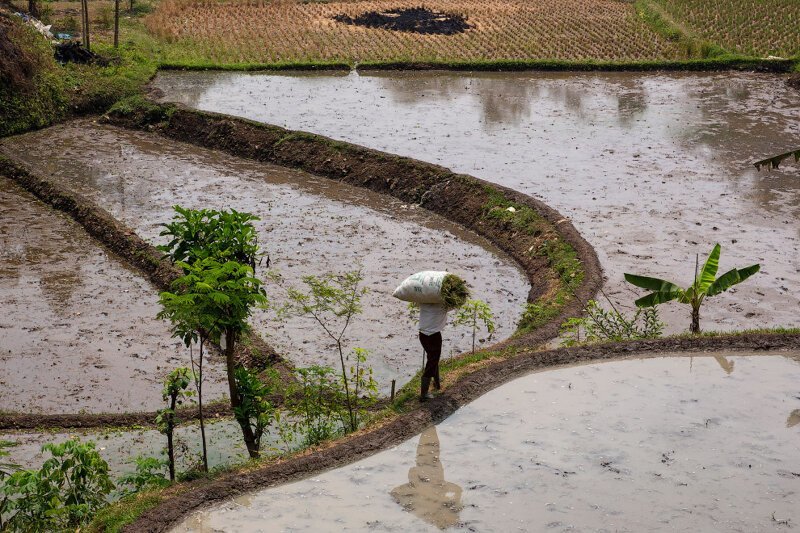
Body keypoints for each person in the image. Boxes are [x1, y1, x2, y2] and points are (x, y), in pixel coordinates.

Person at [418, 302, 448, 401]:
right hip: (434, 335)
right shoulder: (442, 305)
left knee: (432, 358)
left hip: (422, 335)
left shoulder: (423, 303)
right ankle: (424, 393)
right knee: (433, 360)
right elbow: (454, 305)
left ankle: (437, 383)